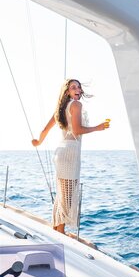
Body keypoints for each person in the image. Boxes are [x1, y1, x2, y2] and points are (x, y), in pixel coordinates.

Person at [32, 79, 110, 235]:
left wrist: (38, 142)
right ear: (67, 91)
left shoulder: (60, 109)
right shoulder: (76, 105)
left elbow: (45, 130)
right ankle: (60, 234)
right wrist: (98, 128)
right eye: (73, 87)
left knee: (62, 195)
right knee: (67, 197)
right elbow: (77, 130)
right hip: (70, 154)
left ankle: (56, 230)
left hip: (61, 153)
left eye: (79, 87)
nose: (77, 89)